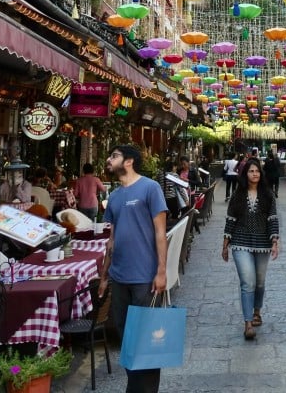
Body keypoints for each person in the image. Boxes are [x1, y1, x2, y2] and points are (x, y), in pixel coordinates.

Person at [100, 144, 168, 393]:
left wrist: (161, 271)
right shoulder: (115, 196)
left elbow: (161, 232)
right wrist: (105, 275)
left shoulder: (150, 188)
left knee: (146, 339)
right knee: (125, 335)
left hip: (144, 277)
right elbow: (113, 238)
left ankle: (144, 389)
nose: (109, 159)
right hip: (119, 277)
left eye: (114, 156)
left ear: (128, 161)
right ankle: (134, 385)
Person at [222, 158, 280, 340]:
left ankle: (257, 311)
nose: (254, 174)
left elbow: (272, 219)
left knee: (260, 282)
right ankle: (247, 323)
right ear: (244, 174)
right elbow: (230, 220)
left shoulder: (268, 195)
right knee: (248, 282)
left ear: (260, 174)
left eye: (257, 171)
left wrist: (275, 241)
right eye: (251, 171)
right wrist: (225, 245)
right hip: (240, 242)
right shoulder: (237, 196)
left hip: (263, 243)